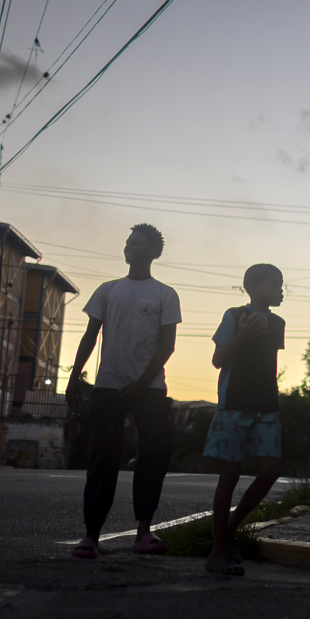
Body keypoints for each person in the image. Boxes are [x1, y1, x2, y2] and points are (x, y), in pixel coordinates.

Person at [65, 224, 181, 559]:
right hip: (108, 386)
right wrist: (74, 377)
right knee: (102, 457)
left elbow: (167, 346)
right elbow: (89, 337)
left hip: (150, 389)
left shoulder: (164, 294)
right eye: (129, 242)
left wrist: (142, 384)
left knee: (155, 453)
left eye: (137, 244)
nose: (129, 247)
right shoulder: (107, 290)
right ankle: (91, 537)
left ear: (152, 253)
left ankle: (143, 532)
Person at [202, 264, 286, 576]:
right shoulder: (234, 315)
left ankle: (230, 530)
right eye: (275, 284)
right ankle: (217, 550)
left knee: (270, 470)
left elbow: (269, 365)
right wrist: (243, 334)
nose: (280, 290)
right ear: (254, 287)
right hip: (233, 406)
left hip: (266, 406)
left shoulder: (278, 322)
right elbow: (218, 360)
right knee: (230, 475)